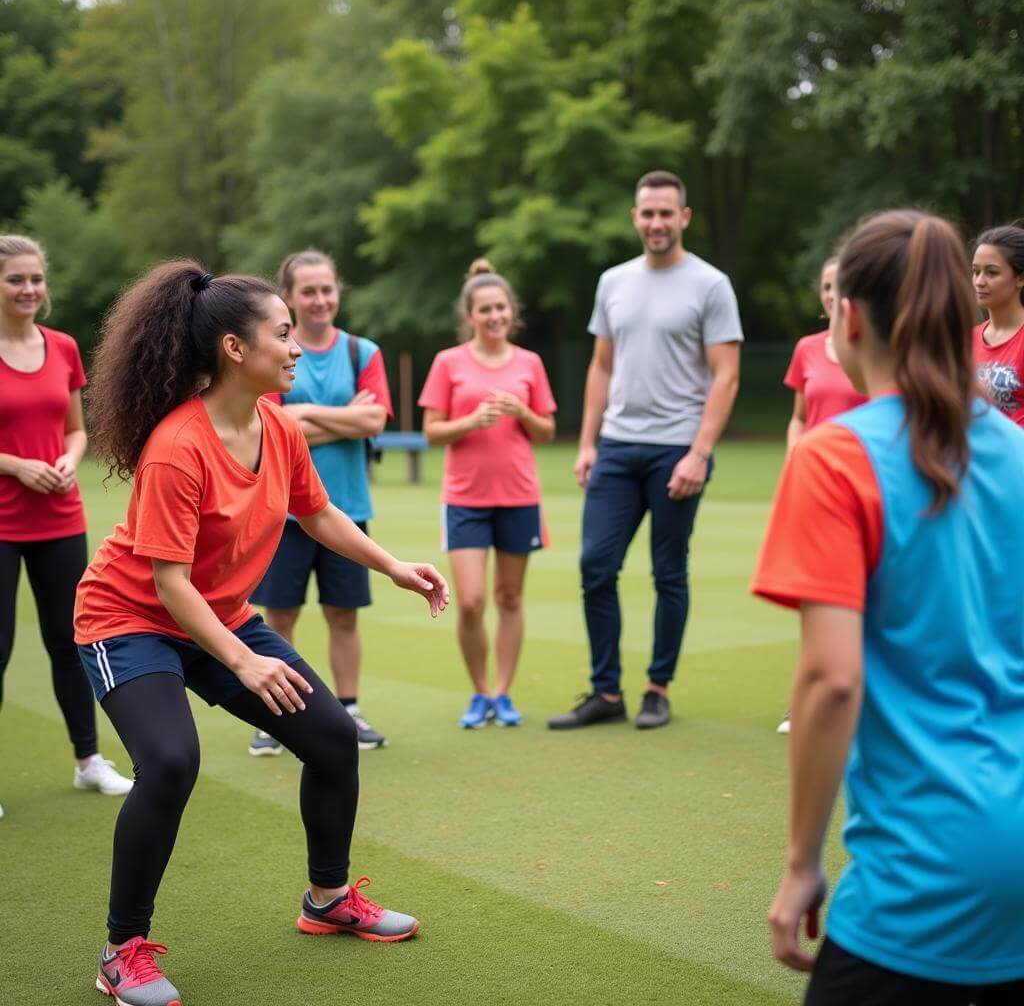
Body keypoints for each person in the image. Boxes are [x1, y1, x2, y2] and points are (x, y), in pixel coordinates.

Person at [74, 262, 448, 1006]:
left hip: (220, 616)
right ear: (235, 351)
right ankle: (121, 951)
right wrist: (243, 661)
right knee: (171, 762)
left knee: (333, 737)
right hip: (129, 621)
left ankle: (327, 898)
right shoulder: (179, 445)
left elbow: (316, 513)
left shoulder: (277, 425)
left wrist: (392, 564)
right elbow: (169, 583)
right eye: (282, 333)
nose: (296, 345)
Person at [753, 210, 1024, 1004]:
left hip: (929, 867)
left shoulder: (836, 456)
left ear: (851, 315)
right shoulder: (1016, 448)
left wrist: (802, 861)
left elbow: (831, 682)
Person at [548, 170, 742, 732]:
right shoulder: (613, 282)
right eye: (647, 213)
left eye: (666, 213)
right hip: (616, 445)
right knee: (595, 566)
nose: (656, 222)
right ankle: (607, 693)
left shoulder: (710, 284)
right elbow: (602, 365)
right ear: (635, 218)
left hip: (677, 448)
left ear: (684, 218)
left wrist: (699, 454)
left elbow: (726, 376)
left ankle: (658, 687)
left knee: (668, 572)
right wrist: (587, 441)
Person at [0, 234, 132, 823]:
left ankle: (88, 761)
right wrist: (15, 465)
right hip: (3, 521)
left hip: (59, 516)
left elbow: (77, 430)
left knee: (70, 643)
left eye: (35, 279)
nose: (29, 289)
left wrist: (66, 459)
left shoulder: (64, 348)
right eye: (15, 280)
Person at [248, 250, 393, 756]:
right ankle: (275, 716)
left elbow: (375, 422)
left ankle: (349, 709)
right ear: (288, 297)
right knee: (279, 616)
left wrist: (306, 414)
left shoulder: (361, 352)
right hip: (280, 513)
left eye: (327, 289)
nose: (320, 300)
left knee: (344, 615)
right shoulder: (274, 350)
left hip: (346, 509)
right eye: (308, 291)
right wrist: (339, 416)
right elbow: (271, 427)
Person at [420, 259, 556, 728]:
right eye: (485, 310)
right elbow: (431, 433)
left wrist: (522, 410)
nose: (495, 316)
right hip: (465, 498)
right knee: (473, 600)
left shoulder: (530, 363)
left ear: (510, 312)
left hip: (520, 495)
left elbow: (546, 431)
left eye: (501, 308)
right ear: (470, 315)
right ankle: (479, 691)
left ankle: (503, 693)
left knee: (511, 598)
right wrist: (470, 422)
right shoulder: (448, 363)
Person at [775, 257, 867, 734]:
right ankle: (806, 700)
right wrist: (796, 454)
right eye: (827, 286)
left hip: (864, 485)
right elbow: (798, 415)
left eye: (843, 286)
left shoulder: (872, 348)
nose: (834, 294)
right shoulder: (806, 349)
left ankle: (861, 698)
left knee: (864, 598)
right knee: (814, 596)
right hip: (815, 485)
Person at [971, 223, 1024, 426]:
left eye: (991, 273)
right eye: (976, 272)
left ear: (1020, 278)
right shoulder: (967, 340)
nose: (980, 281)